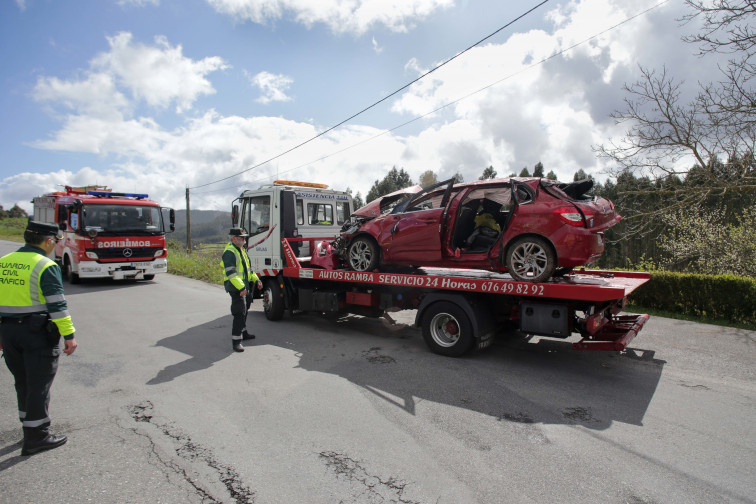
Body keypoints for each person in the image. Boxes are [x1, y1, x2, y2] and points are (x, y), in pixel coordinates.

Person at [0, 220, 78, 456]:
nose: (56, 245)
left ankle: (28, 427)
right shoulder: (45, 265)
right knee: (39, 385)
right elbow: (57, 305)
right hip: (36, 334)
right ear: (48, 241)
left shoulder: (4, 262)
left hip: (8, 332)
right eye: (57, 241)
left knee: (22, 382)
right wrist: (69, 334)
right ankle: (37, 437)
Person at [220, 228, 263, 352]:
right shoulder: (230, 252)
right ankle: (236, 341)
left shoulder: (242, 250)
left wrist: (257, 280)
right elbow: (231, 274)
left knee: (245, 310)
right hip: (236, 287)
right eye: (242, 238)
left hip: (244, 286)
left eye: (245, 237)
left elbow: (248, 270)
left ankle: (243, 333)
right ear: (234, 238)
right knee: (239, 313)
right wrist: (241, 287)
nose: (245, 240)